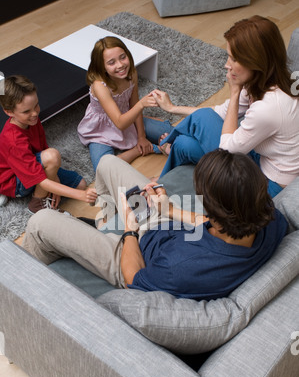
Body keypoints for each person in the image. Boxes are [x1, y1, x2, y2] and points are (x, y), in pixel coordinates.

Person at [22, 149, 287, 300]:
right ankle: (104, 221)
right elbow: (223, 227)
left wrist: (129, 230)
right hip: (163, 225)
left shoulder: (182, 268)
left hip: (136, 254)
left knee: (40, 221)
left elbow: (133, 279)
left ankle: (25, 282)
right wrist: (172, 209)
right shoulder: (268, 217)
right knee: (107, 163)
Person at [151, 16, 299, 198]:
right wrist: (173, 108)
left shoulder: (269, 107)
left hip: (267, 185)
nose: (226, 65)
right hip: (261, 159)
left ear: (256, 61)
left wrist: (235, 92)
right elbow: (221, 112)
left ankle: (166, 144)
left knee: (202, 117)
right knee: (183, 144)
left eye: (233, 59)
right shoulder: (263, 81)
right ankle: (159, 184)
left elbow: (226, 150)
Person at [0, 75, 97, 213]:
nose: (34, 113)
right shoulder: (13, 140)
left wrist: (55, 184)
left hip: (32, 164)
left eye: (36, 106)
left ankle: (47, 192)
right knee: (52, 156)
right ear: (9, 112)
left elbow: (43, 150)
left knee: (80, 184)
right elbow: (41, 175)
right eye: (26, 111)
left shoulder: (32, 120)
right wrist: (81, 196)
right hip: (14, 182)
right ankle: (36, 204)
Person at [77, 36, 172, 171]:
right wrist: (141, 104)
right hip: (102, 129)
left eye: (122, 57)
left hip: (128, 117)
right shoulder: (100, 86)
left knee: (171, 132)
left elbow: (134, 105)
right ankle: (143, 150)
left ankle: (150, 135)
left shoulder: (131, 73)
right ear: (102, 67)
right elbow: (120, 123)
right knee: (103, 168)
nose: (120, 65)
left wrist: (141, 137)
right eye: (111, 62)